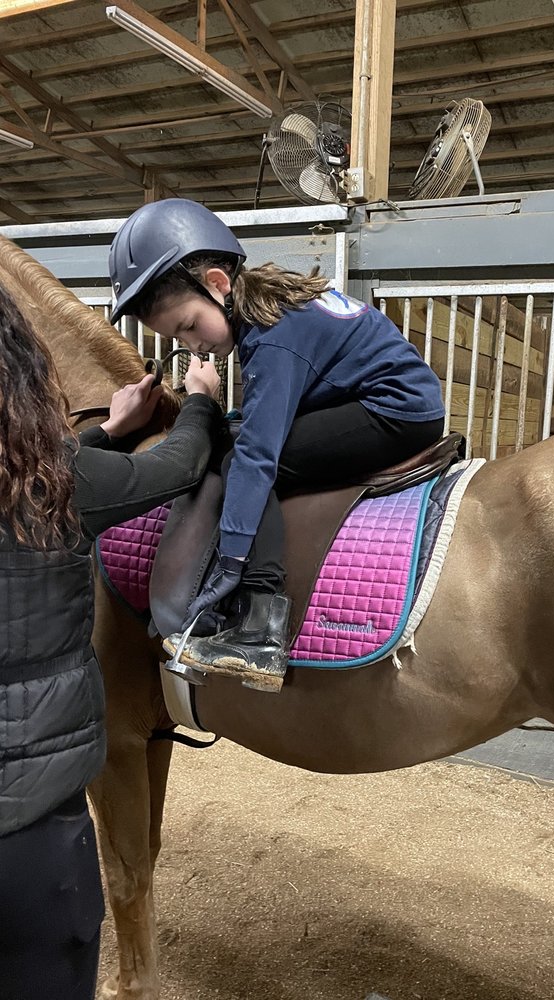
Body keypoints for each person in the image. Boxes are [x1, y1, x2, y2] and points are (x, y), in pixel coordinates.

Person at [108, 198, 446, 691]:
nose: (195, 346)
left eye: (188, 326)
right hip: (379, 399)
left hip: (394, 412)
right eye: (177, 338)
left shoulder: (271, 337)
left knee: (243, 462)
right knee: (238, 441)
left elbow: (258, 457)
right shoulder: (269, 306)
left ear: (218, 284)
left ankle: (261, 628)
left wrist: (231, 563)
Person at [0, 279, 223, 1000]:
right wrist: (201, 407)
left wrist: (105, 433)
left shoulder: (62, 473)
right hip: (32, 828)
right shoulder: (57, 480)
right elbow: (176, 469)